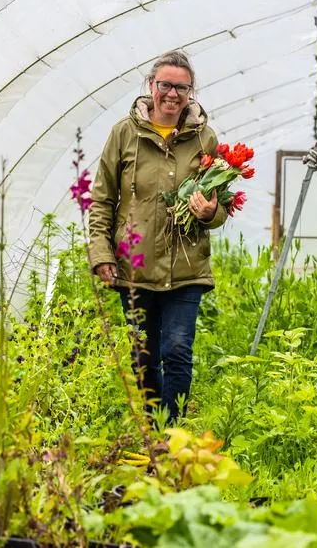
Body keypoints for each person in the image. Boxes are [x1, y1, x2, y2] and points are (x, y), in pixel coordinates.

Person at [88, 50, 227, 425]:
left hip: (186, 265)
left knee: (178, 349)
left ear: (190, 92)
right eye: (165, 85)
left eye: (182, 87)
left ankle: (172, 431)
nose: (172, 94)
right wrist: (101, 253)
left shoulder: (204, 139)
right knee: (143, 354)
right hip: (135, 264)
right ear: (151, 86)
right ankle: (152, 425)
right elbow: (102, 199)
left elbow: (222, 206)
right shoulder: (125, 134)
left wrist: (210, 212)